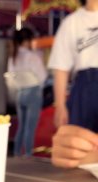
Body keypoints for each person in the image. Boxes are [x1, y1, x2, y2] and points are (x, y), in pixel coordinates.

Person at [48, 0, 98, 130]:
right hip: (84, 87)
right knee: (80, 142)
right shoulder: (71, 22)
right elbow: (61, 67)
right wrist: (60, 106)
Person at [7, 27, 47, 157]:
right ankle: (28, 154)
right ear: (27, 40)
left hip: (20, 93)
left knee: (21, 126)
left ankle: (17, 153)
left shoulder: (13, 57)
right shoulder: (32, 56)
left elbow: (11, 77)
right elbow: (42, 76)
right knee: (30, 127)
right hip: (33, 91)